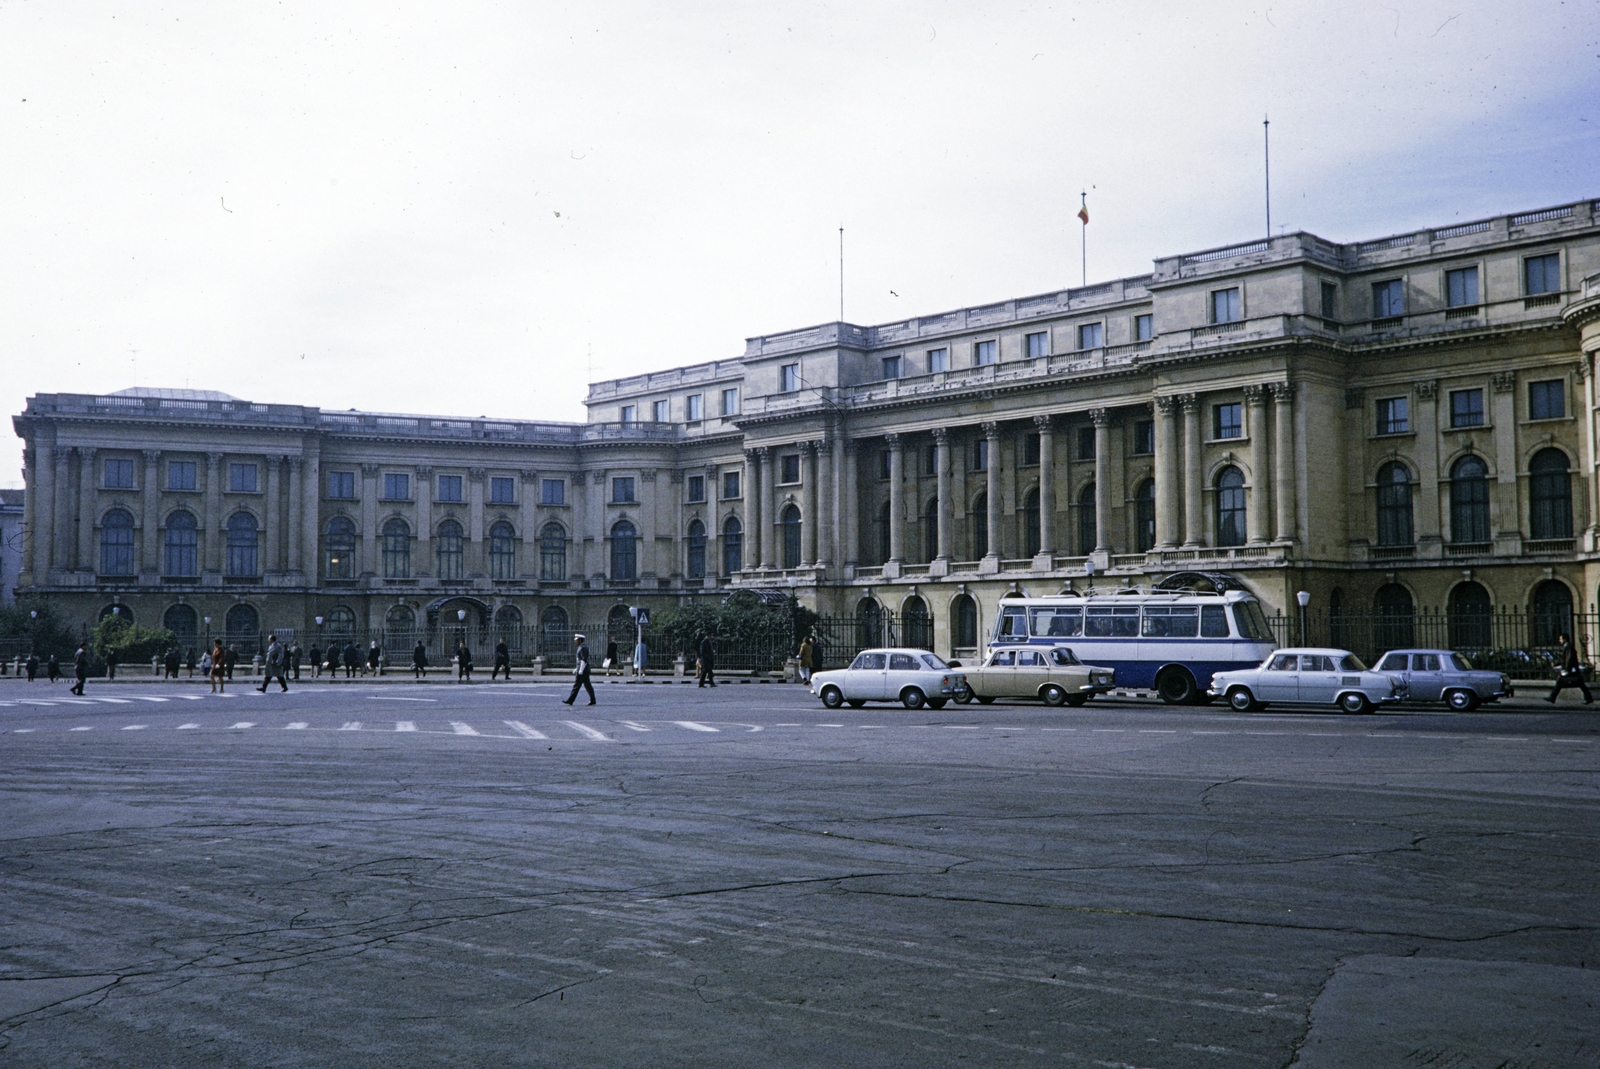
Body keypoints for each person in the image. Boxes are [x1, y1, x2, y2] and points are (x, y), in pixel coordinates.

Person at [1546, 633, 1593, 704]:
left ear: (1565, 639)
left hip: (1571, 669)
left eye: (1561, 639)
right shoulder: (1567, 646)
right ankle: (1589, 698)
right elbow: (1564, 659)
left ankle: (1552, 697)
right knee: (1581, 684)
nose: (1559, 640)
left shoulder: (1568, 646)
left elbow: (1568, 659)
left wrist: (1567, 669)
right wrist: (1556, 663)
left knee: (1560, 681)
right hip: (1574, 669)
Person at [563, 633, 595, 705]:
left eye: (577, 640)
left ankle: (570, 700)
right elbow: (580, 660)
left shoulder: (583, 647)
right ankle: (593, 700)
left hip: (582, 670)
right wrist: (576, 668)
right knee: (588, 686)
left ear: (580, 640)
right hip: (583, 669)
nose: (576, 641)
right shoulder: (581, 647)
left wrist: (580, 670)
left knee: (576, 685)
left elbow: (584, 659)